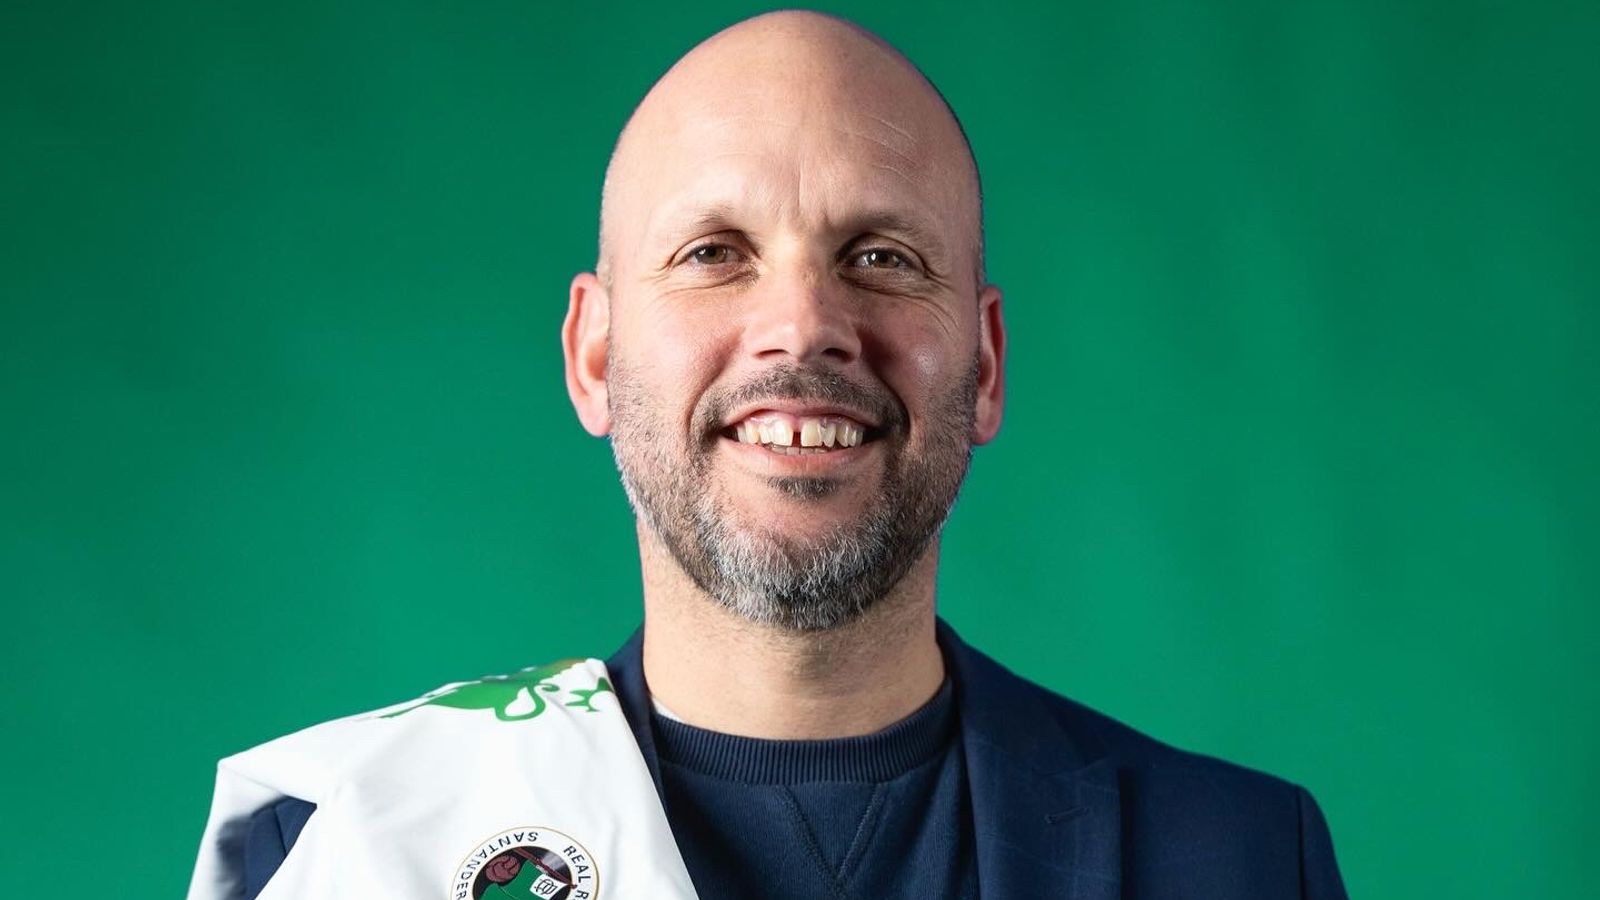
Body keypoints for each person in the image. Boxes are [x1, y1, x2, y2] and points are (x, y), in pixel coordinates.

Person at [187, 10, 1348, 900]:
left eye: (882, 257)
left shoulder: (1240, 859)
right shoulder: (351, 846)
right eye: (714, 253)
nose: (803, 326)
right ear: (594, 356)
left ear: (987, 365)